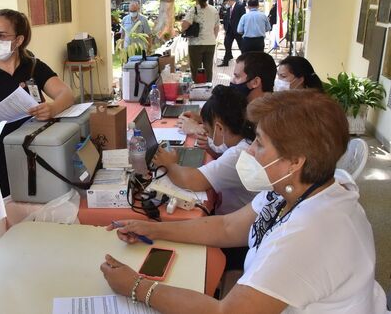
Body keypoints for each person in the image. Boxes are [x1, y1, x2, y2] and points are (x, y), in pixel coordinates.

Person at [101, 90, 389, 313]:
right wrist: (152, 229)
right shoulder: (295, 189)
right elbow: (227, 227)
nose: (249, 150)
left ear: (294, 162)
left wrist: (137, 287)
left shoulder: (309, 233)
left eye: (260, 143)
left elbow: (225, 311)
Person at [0, 8, 74, 197]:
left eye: (1, 35)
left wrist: (52, 108)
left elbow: (66, 93)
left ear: (18, 40)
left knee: (41, 197)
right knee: (11, 204)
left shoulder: (33, 67)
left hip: (36, 149)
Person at [154, 85, 257, 269]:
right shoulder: (244, 139)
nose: (206, 134)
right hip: (241, 226)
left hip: (238, 241)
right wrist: (204, 129)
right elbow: (220, 148)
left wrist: (169, 163)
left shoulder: (239, 154)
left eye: (208, 130)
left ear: (219, 127)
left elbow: (192, 181)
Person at [182, 0, 219, 82]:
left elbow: (185, 25)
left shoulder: (194, 10)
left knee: (196, 69)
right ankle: (208, 88)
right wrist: (213, 38)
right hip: (210, 43)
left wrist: (183, 29)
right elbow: (217, 27)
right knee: (208, 68)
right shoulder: (214, 10)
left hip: (196, 44)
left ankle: (198, 89)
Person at [219, 0, 245, 67]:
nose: (226, 4)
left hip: (237, 31)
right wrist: (225, 28)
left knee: (241, 46)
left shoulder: (240, 7)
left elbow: (243, 18)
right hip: (229, 31)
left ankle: (245, 61)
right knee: (227, 44)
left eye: (226, 3)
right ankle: (226, 61)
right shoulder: (228, 9)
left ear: (229, 1)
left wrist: (242, 29)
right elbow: (226, 19)